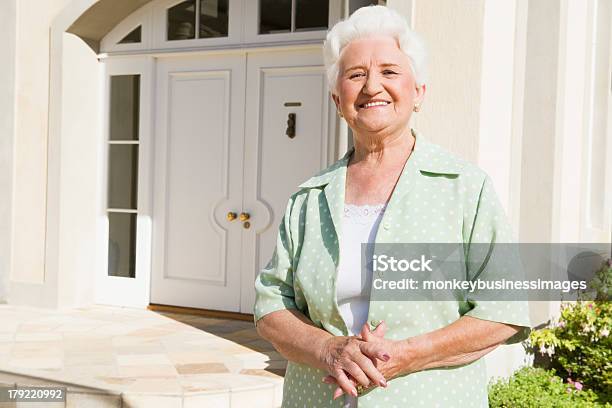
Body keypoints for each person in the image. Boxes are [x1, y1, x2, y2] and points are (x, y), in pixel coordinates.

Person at [254, 5, 531, 407]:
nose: (371, 87)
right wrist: (329, 349)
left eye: (389, 71)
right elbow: (270, 305)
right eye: (355, 75)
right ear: (337, 99)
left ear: (418, 92)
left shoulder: (466, 188)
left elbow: (504, 308)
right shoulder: (308, 197)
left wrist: (406, 355)